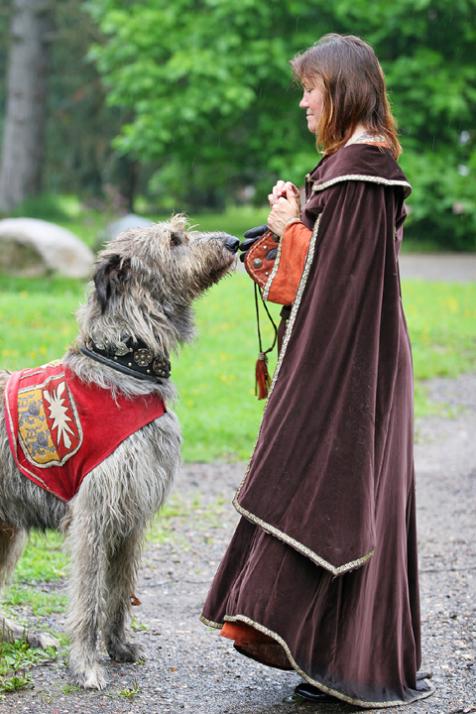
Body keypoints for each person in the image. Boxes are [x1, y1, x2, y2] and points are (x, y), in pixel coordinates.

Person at [201, 33, 435, 708]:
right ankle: (332, 657)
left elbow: (337, 285)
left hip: (349, 363)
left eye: (312, 89)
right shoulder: (350, 166)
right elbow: (332, 270)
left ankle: (354, 664)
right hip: (350, 354)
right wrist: (297, 218)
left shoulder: (364, 171)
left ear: (343, 88)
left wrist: (296, 227)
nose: (304, 103)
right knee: (338, 490)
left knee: (335, 489)